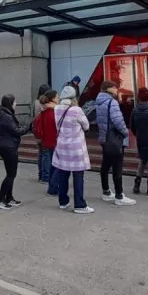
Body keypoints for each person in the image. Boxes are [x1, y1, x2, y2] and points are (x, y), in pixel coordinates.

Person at [53, 85, 94, 214]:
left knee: (63, 174)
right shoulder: (77, 110)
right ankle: (80, 204)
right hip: (76, 148)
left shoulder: (56, 108)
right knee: (78, 176)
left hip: (62, 147)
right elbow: (86, 126)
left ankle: (63, 201)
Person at [95, 80, 134, 206]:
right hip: (114, 138)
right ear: (109, 89)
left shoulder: (99, 101)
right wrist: (125, 132)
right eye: (115, 87)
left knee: (105, 165)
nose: (117, 89)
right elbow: (117, 120)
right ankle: (119, 195)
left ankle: (106, 191)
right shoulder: (112, 102)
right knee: (117, 166)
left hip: (104, 137)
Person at [0, 94, 29, 209]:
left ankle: (9, 197)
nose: (16, 104)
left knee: (11, 174)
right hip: (9, 147)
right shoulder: (6, 117)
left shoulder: (5, 114)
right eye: (14, 102)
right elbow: (16, 131)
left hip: (7, 145)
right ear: (10, 103)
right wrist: (28, 127)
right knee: (11, 175)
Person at [33, 90, 59, 193]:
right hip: (52, 141)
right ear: (52, 99)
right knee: (53, 164)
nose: (59, 99)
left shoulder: (45, 112)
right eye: (57, 97)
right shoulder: (51, 113)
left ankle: (46, 179)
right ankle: (51, 185)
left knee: (47, 160)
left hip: (46, 140)